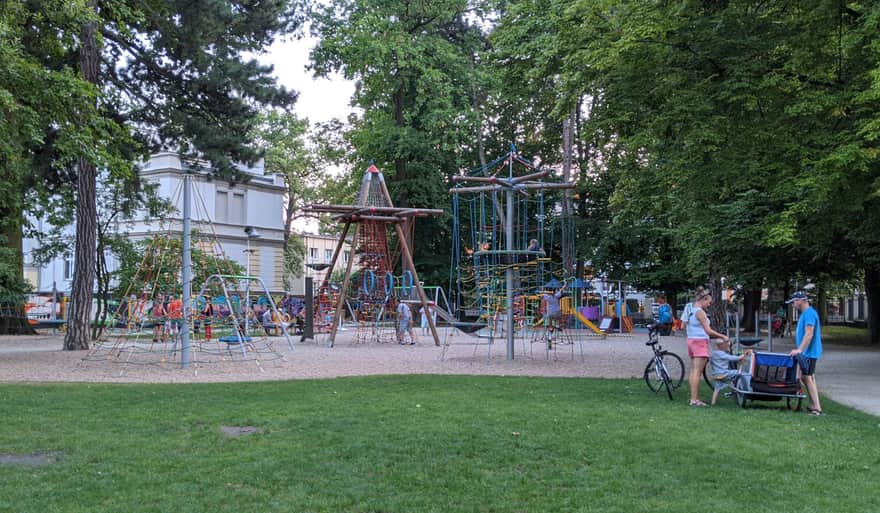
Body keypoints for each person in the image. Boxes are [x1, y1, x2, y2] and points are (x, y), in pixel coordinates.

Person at [685, 286, 730, 407]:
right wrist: (723, 336)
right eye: (708, 302)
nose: (709, 305)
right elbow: (708, 331)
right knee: (697, 372)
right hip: (699, 342)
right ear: (704, 299)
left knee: (694, 371)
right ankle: (694, 400)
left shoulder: (690, 309)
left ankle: (694, 398)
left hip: (691, 341)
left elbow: (684, 325)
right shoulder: (700, 312)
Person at [787, 291, 824, 415]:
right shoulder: (806, 313)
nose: (792, 305)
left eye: (793, 302)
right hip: (807, 352)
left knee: (806, 377)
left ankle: (816, 409)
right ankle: (814, 405)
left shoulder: (809, 314)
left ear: (800, 300)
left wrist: (800, 350)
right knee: (810, 377)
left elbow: (809, 334)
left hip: (809, 352)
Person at [708, 338, 752, 405]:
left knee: (717, 389)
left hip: (716, 374)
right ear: (722, 346)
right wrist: (744, 354)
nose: (728, 347)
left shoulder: (714, 353)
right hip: (724, 373)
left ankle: (713, 403)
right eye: (727, 345)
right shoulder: (722, 354)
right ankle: (745, 392)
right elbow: (734, 358)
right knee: (741, 374)